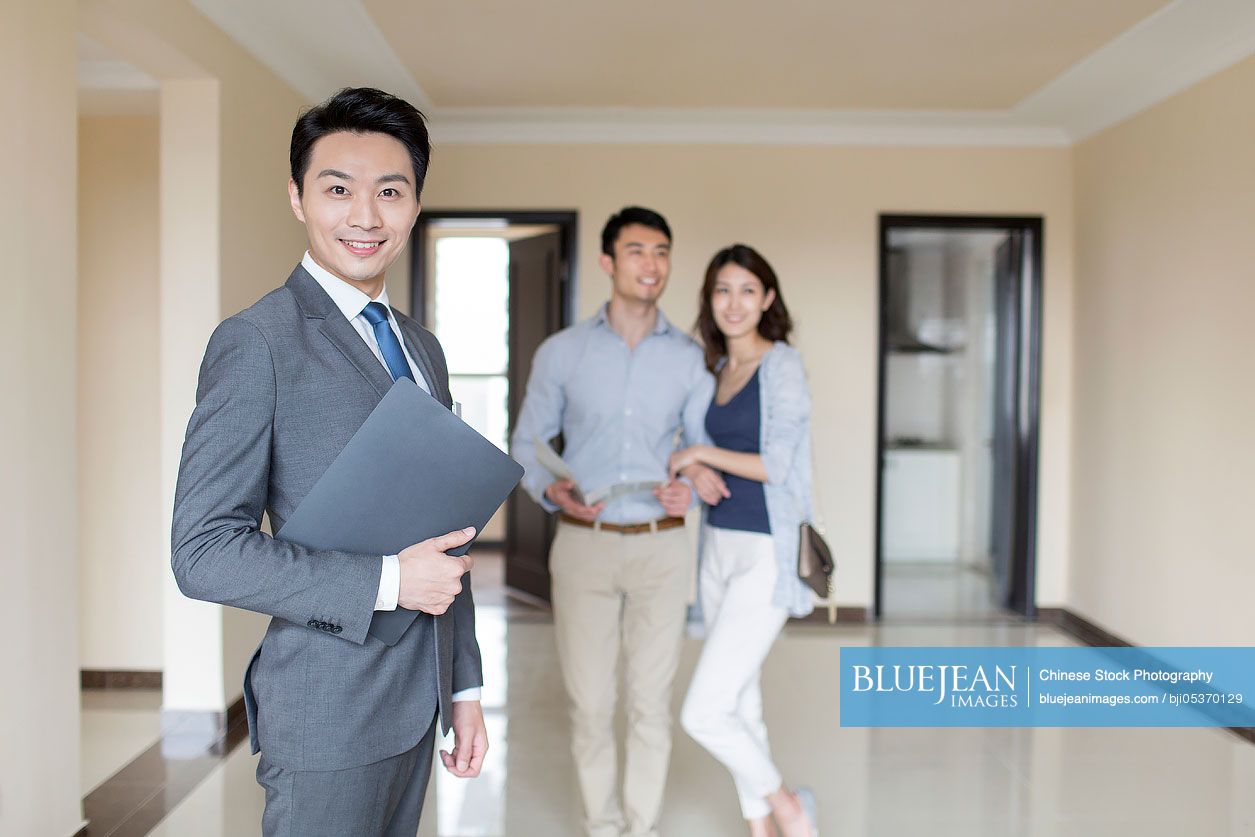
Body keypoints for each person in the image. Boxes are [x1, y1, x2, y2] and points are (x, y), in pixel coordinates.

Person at [170, 88, 487, 837]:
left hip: (417, 704)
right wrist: (388, 580)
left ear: (414, 205)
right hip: (326, 710)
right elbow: (202, 551)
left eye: (390, 191)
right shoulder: (259, 342)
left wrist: (464, 684)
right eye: (337, 189)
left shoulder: (422, 348)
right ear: (297, 197)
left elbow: (446, 526)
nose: (365, 216)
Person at [510, 207, 713, 837]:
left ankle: (641, 826)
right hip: (584, 546)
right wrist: (555, 492)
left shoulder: (690, 359)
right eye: (636, 251)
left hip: (662, 546)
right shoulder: (562, 353)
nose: (651, 264)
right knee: (591, 704)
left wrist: (692, 492)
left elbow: (704, 455)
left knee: (650, 703)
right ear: (608, 263)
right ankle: (602, 825)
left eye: (661, 251)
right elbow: (525, 445)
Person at [668, 244, 819, 837]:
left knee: (704, 711)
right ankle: (761, 828)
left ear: (768, 299)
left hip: (765, 551)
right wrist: (694, 469)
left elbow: (778, 464)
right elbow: (687, 447)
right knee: (741, 701)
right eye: (723, 290)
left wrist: (701, 453)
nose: (734, 303)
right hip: (718, 548)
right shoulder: (712, 370)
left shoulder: (782, 365)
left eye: (748, 290)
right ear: (709, 299)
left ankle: (789, 808)